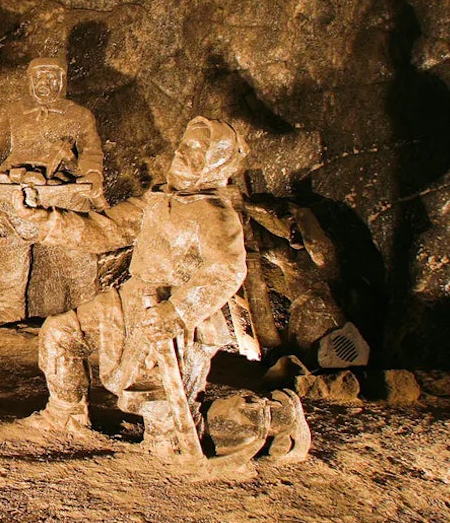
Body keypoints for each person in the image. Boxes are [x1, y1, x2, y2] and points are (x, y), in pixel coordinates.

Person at [24, 117, 308, 462]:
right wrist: (46, 222)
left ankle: (277, 417)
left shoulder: (214, 214)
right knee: (61, 333)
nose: (183, 153)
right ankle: (66, 414)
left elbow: (226, 270)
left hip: (176, 317)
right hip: (131, 300)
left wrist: (176, 312)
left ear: (215, 161)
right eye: (185, 144)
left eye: (196, 150)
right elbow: (107, 229)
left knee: (162, 421)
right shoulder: (159, 199)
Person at [0, 57, 105, 331]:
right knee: (10, 249)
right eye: (39, 77)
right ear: (30, 81)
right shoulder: (14, 112)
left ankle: (86, 310)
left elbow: (91, 150)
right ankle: (5, 308)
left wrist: (92, 174)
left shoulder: (78, 115)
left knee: (76, 250)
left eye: (51, 78)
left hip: (62, 191)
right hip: (16, 187)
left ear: (62, 81)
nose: (45, 83)